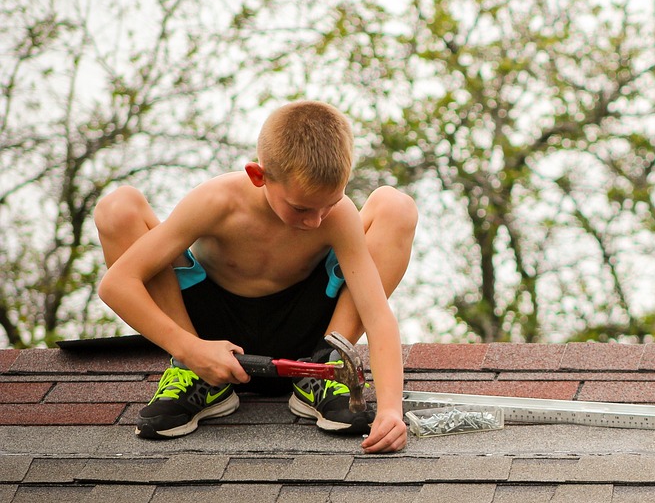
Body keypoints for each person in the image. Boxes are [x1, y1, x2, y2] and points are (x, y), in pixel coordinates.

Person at [95, 100, 418, 452]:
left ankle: (326, 365)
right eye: (301, 208)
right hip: (208, 333)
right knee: (118, 207)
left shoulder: (336, 216)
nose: (316, 221)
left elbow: (378, 315)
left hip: (306, 332)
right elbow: (116, 284)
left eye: (330, 202)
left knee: (395, 205)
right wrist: (190, 349)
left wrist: (390, 410)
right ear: (258, 176)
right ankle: (193, 374)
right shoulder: (216, 201)